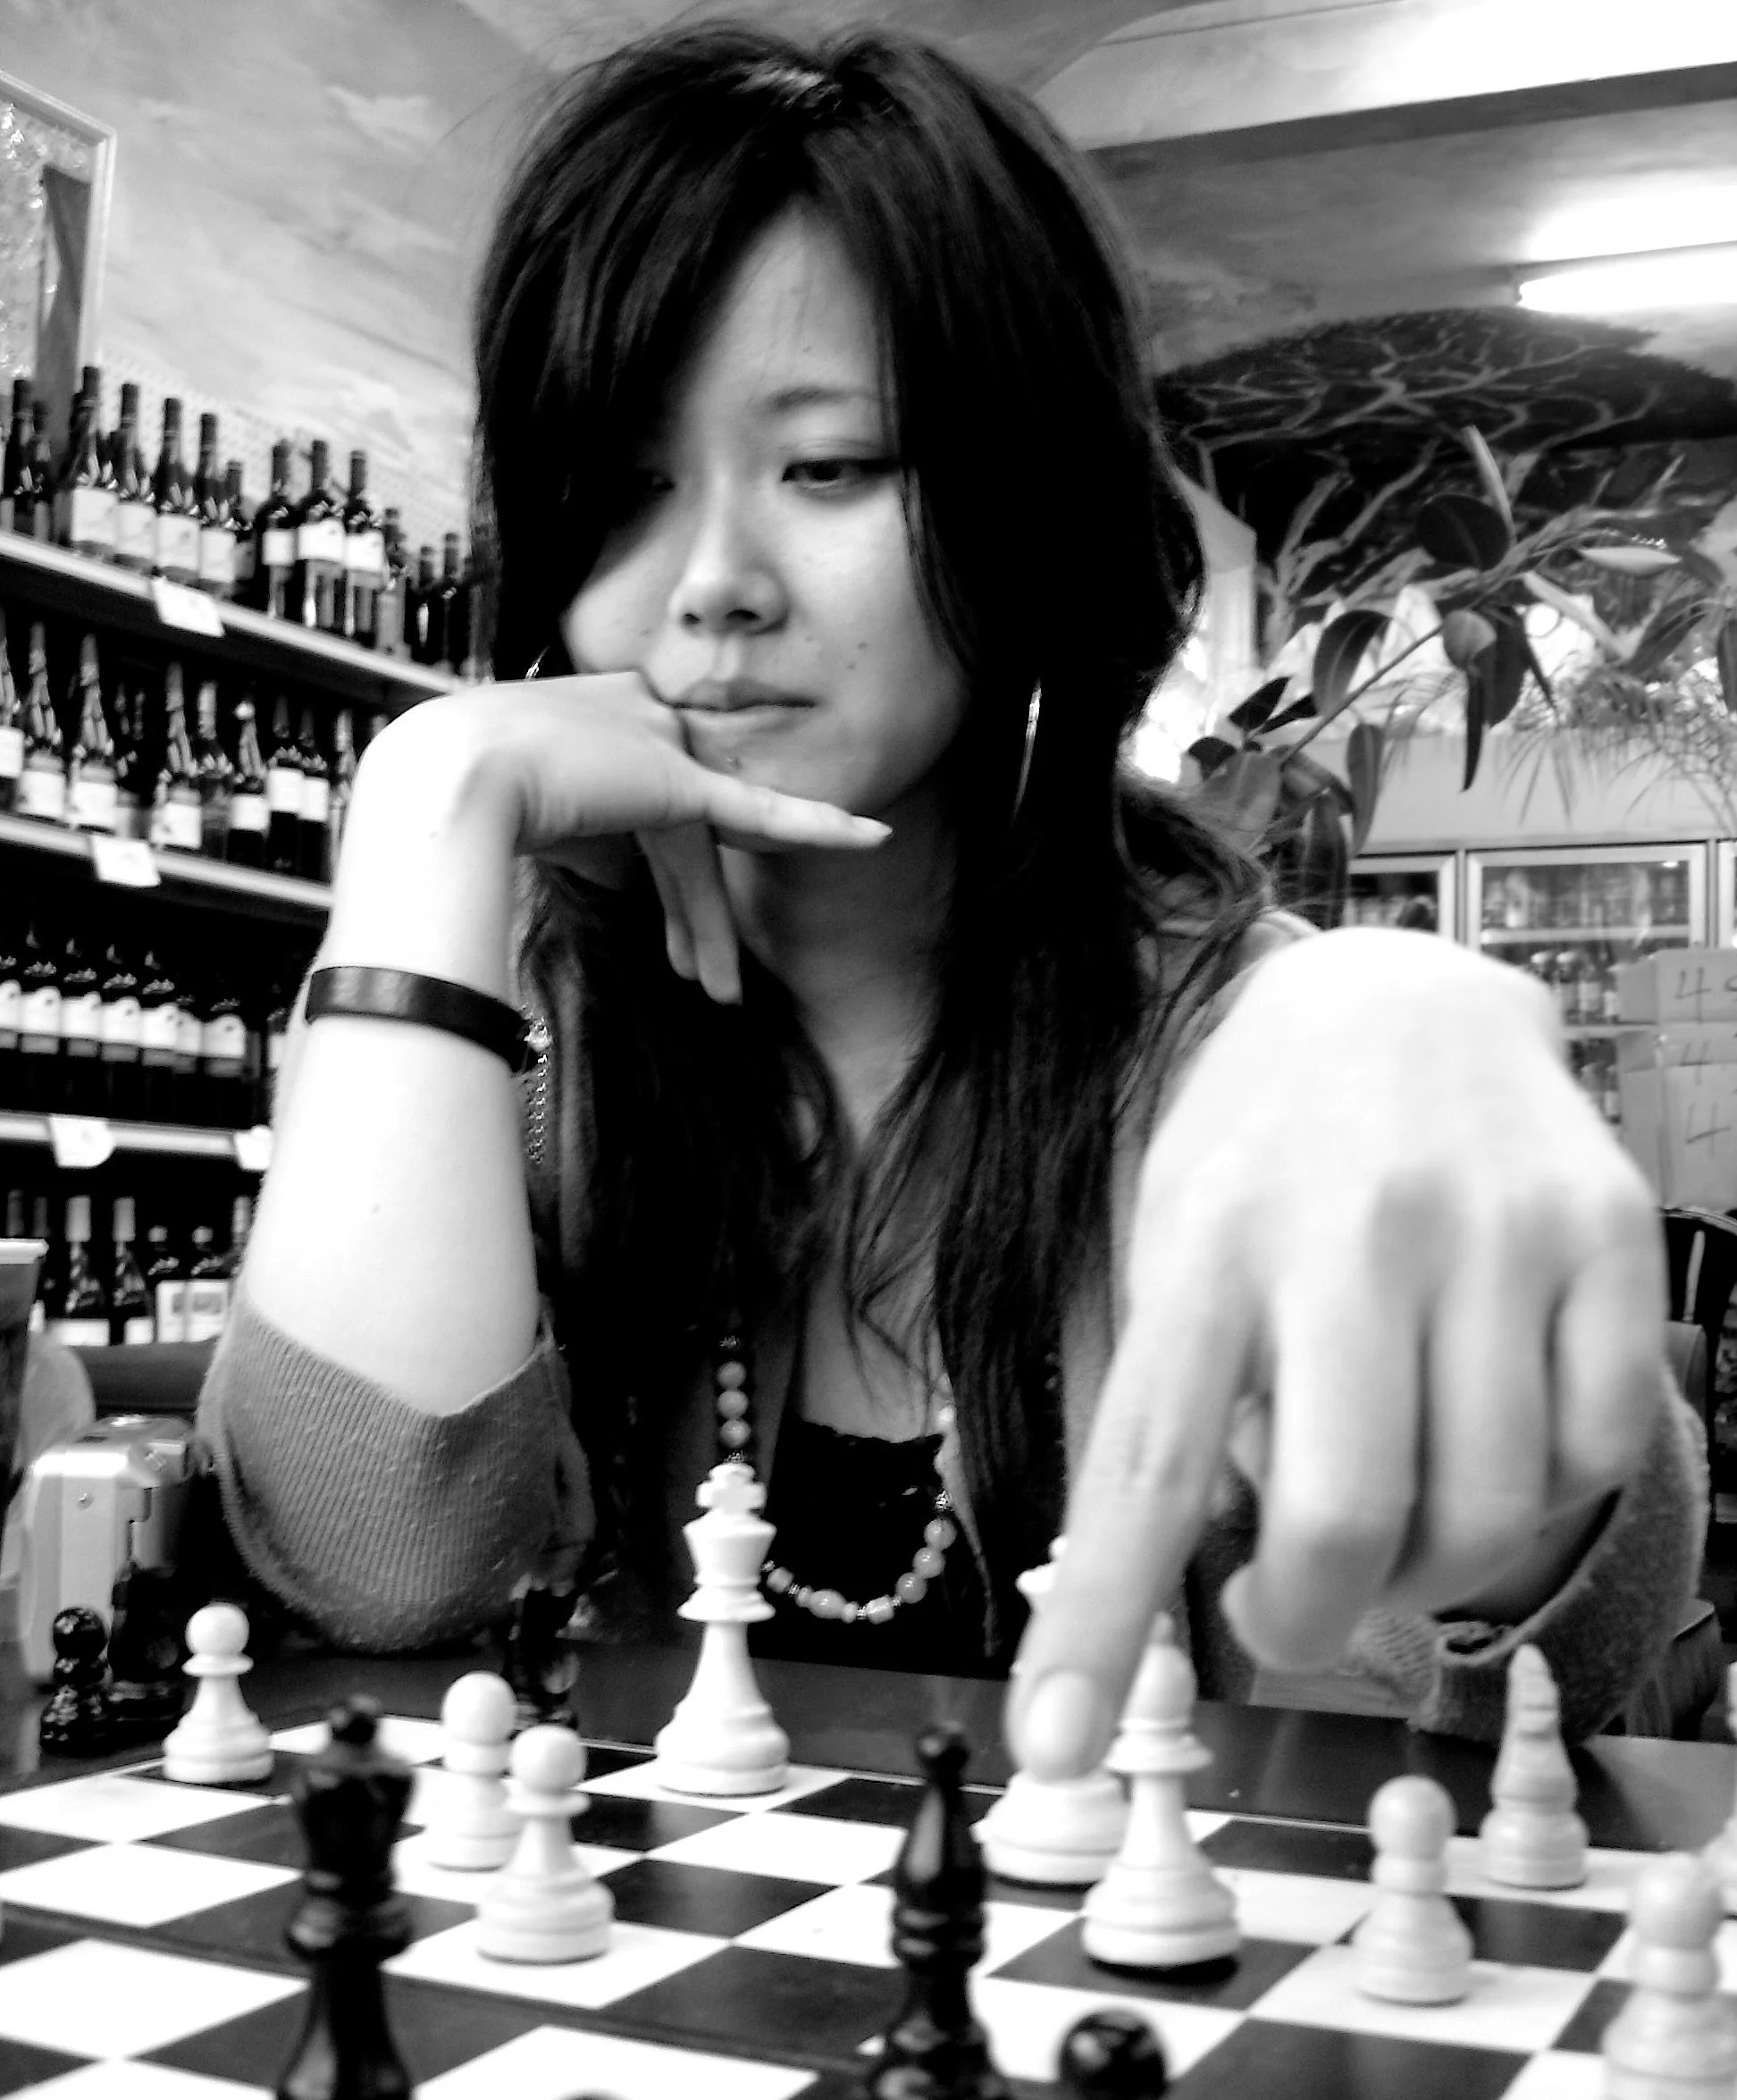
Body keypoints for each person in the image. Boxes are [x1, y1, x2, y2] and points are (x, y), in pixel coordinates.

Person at [199, 24, 1705, 1757]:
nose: (713, 587)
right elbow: (371, 1578)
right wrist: (428, 793)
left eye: (830, 465)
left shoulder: (1236, 1053)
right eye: (624, 485)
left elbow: (1503, 1687)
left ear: (1028, 502)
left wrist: (1392, 1057)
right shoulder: (507, 1051)